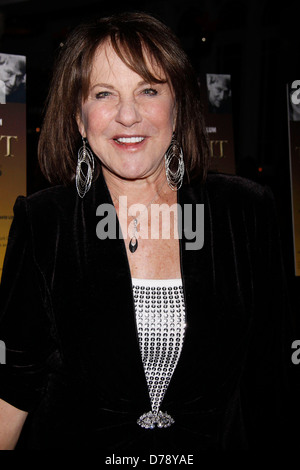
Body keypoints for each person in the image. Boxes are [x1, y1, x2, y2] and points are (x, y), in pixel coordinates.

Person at [0, 12, 291, 451]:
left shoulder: (246, 213)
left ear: (178, 107)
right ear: (80, 119)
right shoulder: (45, 223)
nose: (128, 115)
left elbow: (270, 381)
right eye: (103, 94)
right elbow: (11, 387)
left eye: (148, 90)